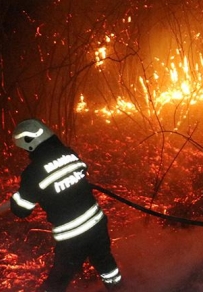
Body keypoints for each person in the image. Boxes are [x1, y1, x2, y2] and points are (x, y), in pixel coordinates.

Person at [10, 118, 123, 291]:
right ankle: (120, 288)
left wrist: (17, 198)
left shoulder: (33, 173)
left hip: (73, 236)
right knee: (105, 263)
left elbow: (22, 210)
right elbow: (81, 171)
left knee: (59, 278)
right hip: (97, 223)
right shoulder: (68, 153)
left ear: (28, 144)